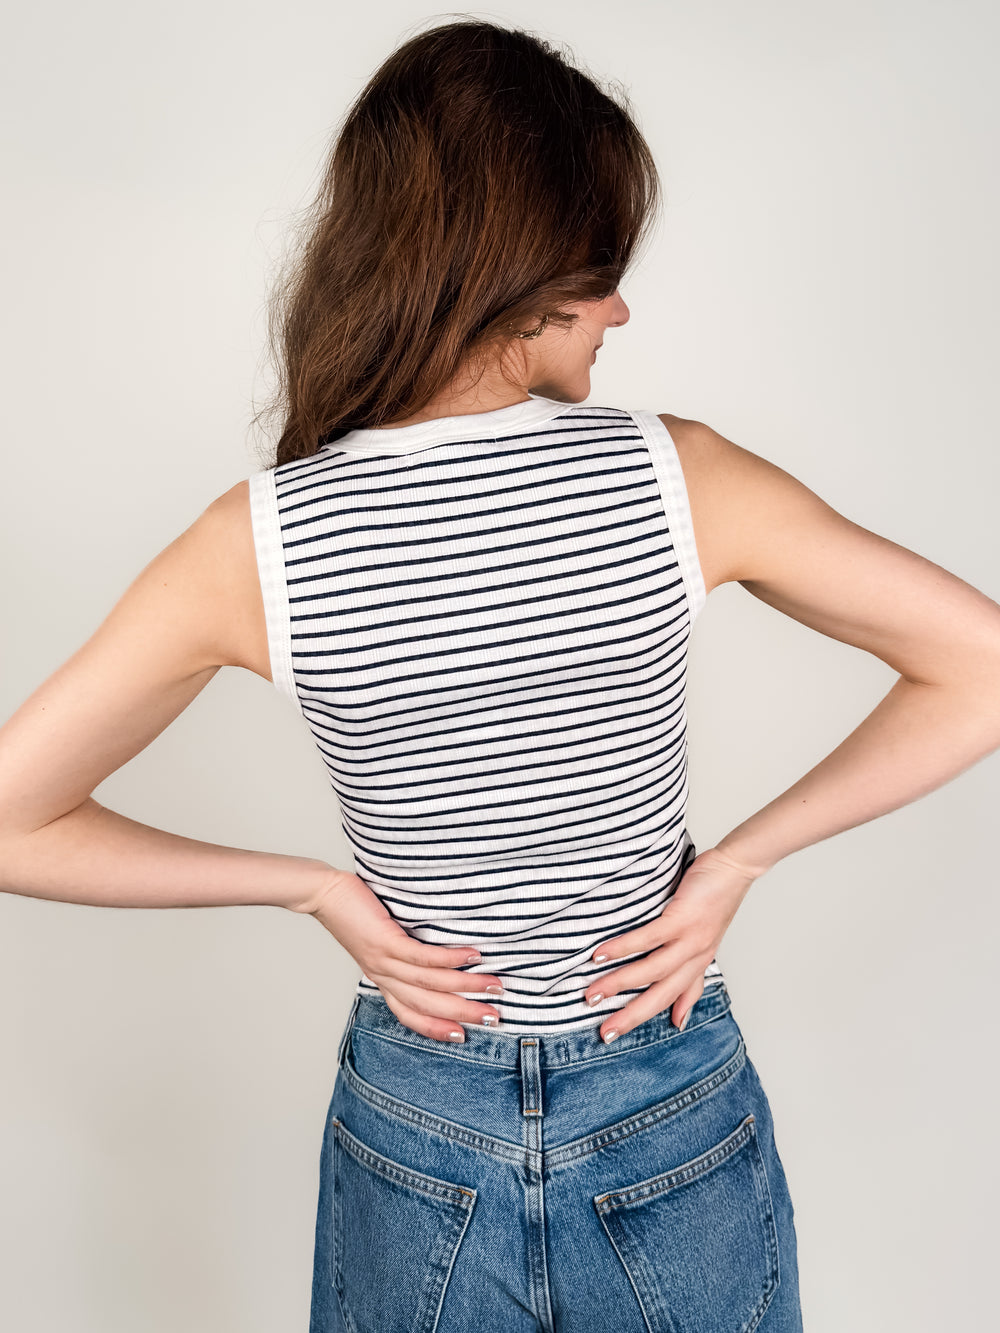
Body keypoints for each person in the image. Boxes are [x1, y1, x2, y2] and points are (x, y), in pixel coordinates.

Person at [2, 16, 999, 1333]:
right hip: (664, 1102)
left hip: (417, 1118)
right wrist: (742, 859)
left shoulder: (253, 544)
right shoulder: (677, 474)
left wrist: (314, 891)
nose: (622, 305)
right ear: (512, 269)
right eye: (599, 266)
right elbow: (979, 663)